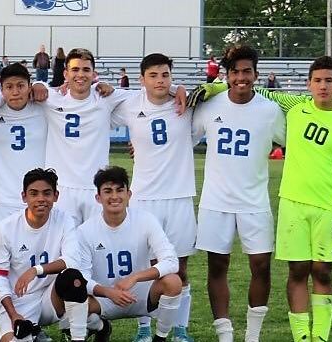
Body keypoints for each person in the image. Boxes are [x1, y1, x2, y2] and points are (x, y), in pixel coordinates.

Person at [236, 56, 332, 342]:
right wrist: (216, 88)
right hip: (292, 203)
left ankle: (320, 338)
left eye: (329, 80)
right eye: (317, 80)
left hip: (328, 205)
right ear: (308, 84)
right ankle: (302, 338)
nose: (323, 86)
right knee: (298, 270)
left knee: (322, 272)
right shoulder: (294, 107)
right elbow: (254, 89)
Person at [191, 45, 285, 342]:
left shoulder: (270, 111)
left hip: (254, 201)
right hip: (216, 201)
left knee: (261, 265)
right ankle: (225, 335)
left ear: (256, 75)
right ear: (227, 75)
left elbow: (294, 145)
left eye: (247, 71)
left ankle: (252, 336)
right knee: (217, 265)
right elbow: (183, 139)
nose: (241, 77)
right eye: (235, 72)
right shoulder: (210, 105)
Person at [112, 53, 197, 342]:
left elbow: (217, 88)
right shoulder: (129, 103)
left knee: (180, 268)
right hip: (144, 198)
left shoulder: (187, 104)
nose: (160, 81)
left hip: (179, 196)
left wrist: (181, 90)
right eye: (154, 75)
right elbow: (95, 96)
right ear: (142, 79)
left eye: (165, 75)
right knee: (145, 268)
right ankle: (144, 328)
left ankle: (180, 329)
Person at [67, 166, 183, 342]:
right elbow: (82, 277)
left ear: (129, 195)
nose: (114, 196)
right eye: (108, 191)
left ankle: (160, 338)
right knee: (72, 297)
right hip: (105, 299)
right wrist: (108, 292)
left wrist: (135, 277)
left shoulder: (146, 220)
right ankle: (100, 327)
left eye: (120, 190)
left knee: (173, 281)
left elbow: (171, 261)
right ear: (98, 198)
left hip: (142, 296)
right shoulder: (85, 231)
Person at [0, 168, 96, 342]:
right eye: (34, 193)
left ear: (56, 196)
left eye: (47, 193)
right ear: (24, 196)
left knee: (73, 277)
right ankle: (34, 332)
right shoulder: (6, 227)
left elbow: (72, 260)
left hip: (50, 297)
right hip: (19, 301)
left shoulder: (64, 220)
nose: (41, 199)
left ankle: (78, 337)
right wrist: (13, 314)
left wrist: (36, 270)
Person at [30, 48, 131, 226]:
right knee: (63, 246)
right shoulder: (52, 99)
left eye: (86, 70)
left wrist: (177, 88)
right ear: (65, 73)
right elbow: (13, 89)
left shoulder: (105, 98)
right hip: (62, 187)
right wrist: (38, 84)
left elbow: (149, 96)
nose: (81, 75)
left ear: (94, 74)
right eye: (75, 70)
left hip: (95, 187)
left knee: (97, 246)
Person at [0, 63, 48, 229]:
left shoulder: (45, 110)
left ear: (29, 87)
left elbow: (64, 93)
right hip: (4, 202)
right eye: (9, 87)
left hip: (39, 199)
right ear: (1, 91)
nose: (15, 92)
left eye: (20, 86)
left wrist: (41, 84)